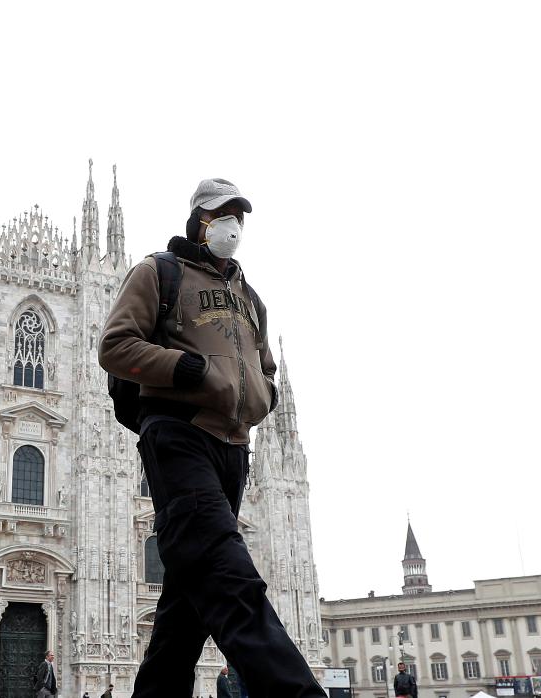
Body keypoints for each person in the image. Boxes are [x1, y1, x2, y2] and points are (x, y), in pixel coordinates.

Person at [99, 179, 324, 698]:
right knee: (227, 572)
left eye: (239, 216)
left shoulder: (249, 298)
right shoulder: (159, 272)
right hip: (178, 434)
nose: (233, 225)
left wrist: (260, 398)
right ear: (199, 219)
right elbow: (115, 345)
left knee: (185, 603)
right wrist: (192, 371)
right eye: (223, 214)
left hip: (232, 448)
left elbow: (264, 369)